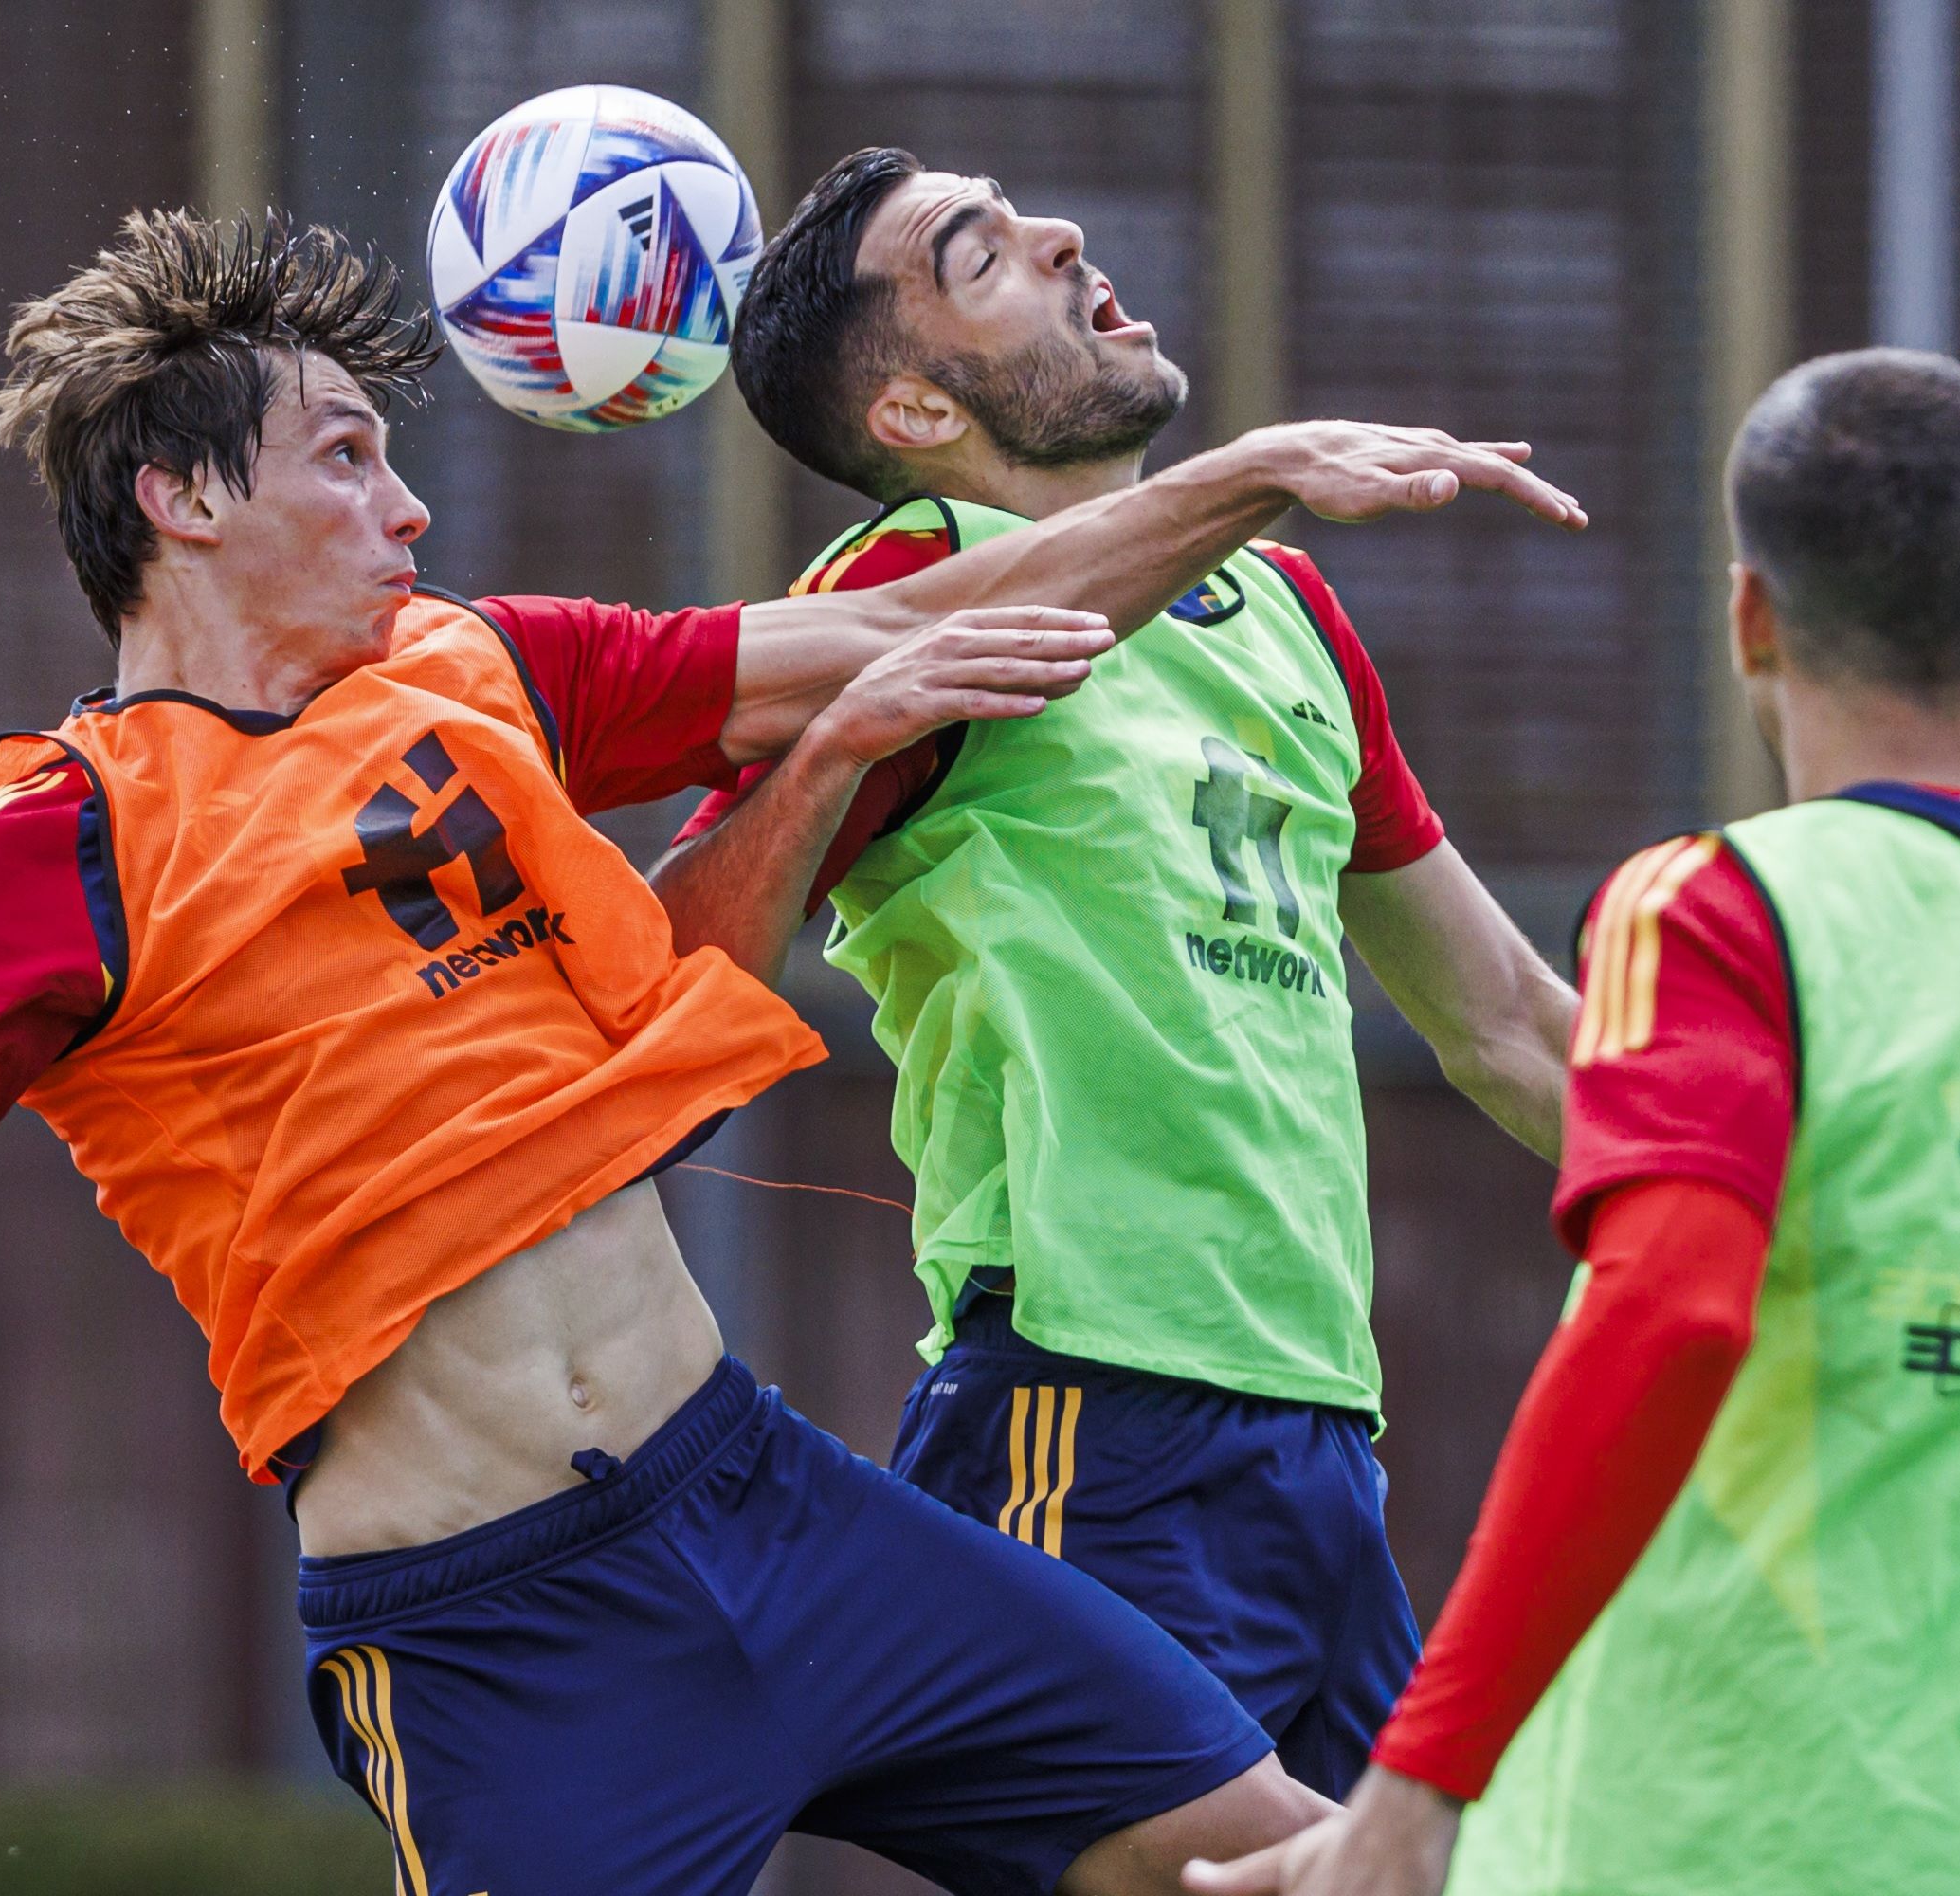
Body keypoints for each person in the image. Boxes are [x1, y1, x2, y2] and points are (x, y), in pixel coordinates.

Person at [0, 211, 1584, 1896]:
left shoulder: (482, 671)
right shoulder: (38, 846)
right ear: (180, 497)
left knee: (1317, 1867)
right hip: (493, 1626)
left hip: (768, 1501)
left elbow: (943, 624)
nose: (407, 499)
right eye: (345, 454)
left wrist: (1243, 477)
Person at [1182, 349, 1960, 1896]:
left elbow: (1672, 1315)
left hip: (1720, 1856)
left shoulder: (1726, 912)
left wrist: (1417, 1787)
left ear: (1749, 618)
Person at [650, 147, 1587, 1797]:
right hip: (1087, 1416)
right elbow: (670, 969)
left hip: (1318, 1431)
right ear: (919, 414)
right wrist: (828, 758)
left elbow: (1508, 1025)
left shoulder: (1285, 608)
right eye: (981, 253)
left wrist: (1792, 1225)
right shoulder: (902, 594)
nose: (1064, 235)